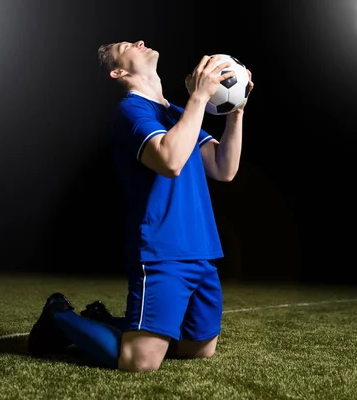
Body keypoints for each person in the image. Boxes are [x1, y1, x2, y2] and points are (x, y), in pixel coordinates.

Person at [27, 40, 254, 372]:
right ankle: (59, 316)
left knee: (197, 350)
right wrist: (200, 98)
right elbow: (170, 160)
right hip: (163, 250)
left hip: (201, 248)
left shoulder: (177, 113)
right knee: (140, 363)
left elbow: (224, 168)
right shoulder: (131, 111)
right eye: (127, 45)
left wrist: (237, 111)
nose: (141, 42)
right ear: (119, 71)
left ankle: (102, 321)